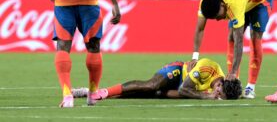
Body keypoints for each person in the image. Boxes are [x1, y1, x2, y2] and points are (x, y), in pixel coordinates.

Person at [192, 0, 273, 99]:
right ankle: (234, 82)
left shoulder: (235, 4)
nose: (218, 20)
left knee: (254, 38)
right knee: (230, 37)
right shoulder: (205, 0)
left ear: (223, 5)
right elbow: (200, 28)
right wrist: (195, 57)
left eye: (218, 16)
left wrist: (233, 71)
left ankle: (250, 87)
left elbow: (239, 40)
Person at [72, 58, 242, 100]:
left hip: (182, 87)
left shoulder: (219, 85)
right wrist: (206, 96)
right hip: (176, 71)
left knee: (146, 94)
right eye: (220, 94)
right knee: (150, 86)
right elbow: (183, 89)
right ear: (220, 84)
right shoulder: (208, 68)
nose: (217, 95)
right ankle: (102, 92)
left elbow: (184, 93)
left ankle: (91, 93)